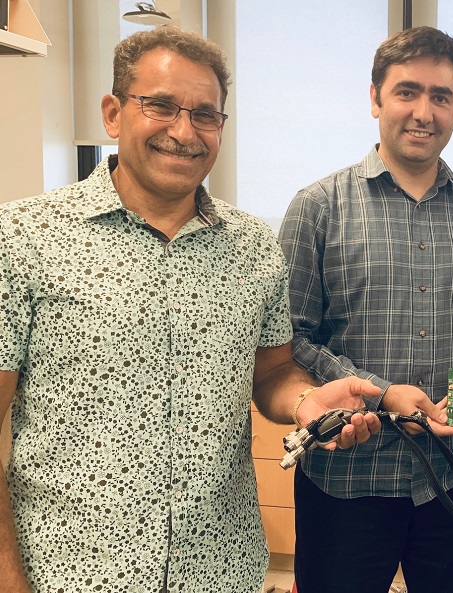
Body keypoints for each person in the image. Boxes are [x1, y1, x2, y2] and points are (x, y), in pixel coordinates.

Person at [0, 27, 384, 593]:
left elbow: (273, 371)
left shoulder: (253, 246)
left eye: (205, 114)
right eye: (160, 106)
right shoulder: (23, 238)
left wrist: (306, 400)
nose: (184, 132)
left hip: (219, 568)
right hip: (70, 571)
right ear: (112, 113)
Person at [277, 26, 453, 593]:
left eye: (442, 96)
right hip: (346, 481)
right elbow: (291, 341)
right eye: (407, 92)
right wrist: (380, 392)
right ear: (374, 98)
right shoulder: (317, 208)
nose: (424, 112)